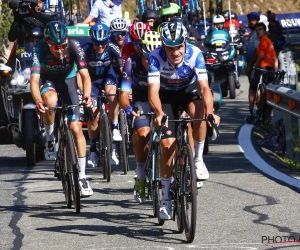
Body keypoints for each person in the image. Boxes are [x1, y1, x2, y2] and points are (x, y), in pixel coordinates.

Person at [148, 22, 220, 219]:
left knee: (200, 111)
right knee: (168, 145)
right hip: (166, 97)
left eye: (179, 46)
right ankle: (165, 199)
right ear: (163, 46)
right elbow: (153, 91)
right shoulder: (155, 57)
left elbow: (205, 88)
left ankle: (197, 160)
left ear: (185, 43)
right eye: (170, 47)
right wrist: (159, 113)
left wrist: (211, 111)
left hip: (188, 91)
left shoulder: (195, 54)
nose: (175, 52)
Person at [31, 21, 93, 197]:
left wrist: (87, 96)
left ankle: (81, 177)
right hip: (48, 80)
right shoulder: (39, 48)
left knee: (76, 129)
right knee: (50, 101)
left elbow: (85, 76)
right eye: (54, 47)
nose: (59, 50)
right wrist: (38, 101)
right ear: (47, 42)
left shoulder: (73, 45)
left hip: (69, 80)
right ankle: (50, 137)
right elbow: (34, 81)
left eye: (62, 46)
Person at [120, 31, 161, 203]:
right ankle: (141, 173)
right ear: (139, 52)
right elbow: (123, 94)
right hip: (141, 99)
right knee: (143, 133)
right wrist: (128, 108)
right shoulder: (131, 63)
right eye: (146, 57)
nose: (150, 62)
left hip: (161, 98)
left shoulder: (165, 63)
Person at [83, 23, 123, 167]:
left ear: (108, 40)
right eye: (97, 43)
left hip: (107, 76)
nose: (100, 46)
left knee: (112, 94)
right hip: (91, 81)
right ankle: (93, 150)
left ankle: (115, 127)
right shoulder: (86, 50)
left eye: (103, 42)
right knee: (95, 116)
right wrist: (84, 93)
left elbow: (123, 69)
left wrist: (127, 88)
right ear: (92, 40)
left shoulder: (112, 48)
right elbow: (79, 74)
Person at [250, 22, 278, 112]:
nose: (258, 32)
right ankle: (270, 113)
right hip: (271, 69)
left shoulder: (263, 41)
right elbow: (275, 58)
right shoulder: (269, 42)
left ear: (265, 31)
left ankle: (253, 109)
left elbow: (261, 56)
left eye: (260, 30)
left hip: (262, 68)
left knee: (253, 89)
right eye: (257, 30)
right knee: (268, 91)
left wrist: (254, 67)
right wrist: (275, 71)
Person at [245, 12, 260, 110]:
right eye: (250, 20)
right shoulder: (251, 33)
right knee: (254, 86)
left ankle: (254, 109)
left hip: (256, 64)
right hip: (252, 63)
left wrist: (250, 64)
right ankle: (254, 109)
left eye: (253, 20)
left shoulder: (257, 33)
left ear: (258, 21)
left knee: (254, 88)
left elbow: (256, 51)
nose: (251, 22)